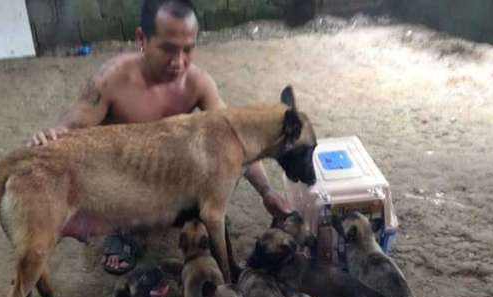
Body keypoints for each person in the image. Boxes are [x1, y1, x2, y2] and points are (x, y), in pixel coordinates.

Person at [29, 0, 294, 274]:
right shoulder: (112, 79)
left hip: (171, 180)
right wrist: (52, 134)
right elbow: (74, 125)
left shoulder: (198, 83)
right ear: (142, 39)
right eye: (168, 48)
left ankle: (185, 219)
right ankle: (125, 233)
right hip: (127, 183)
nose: (179, 61)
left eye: (188, 50)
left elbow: (238, 141)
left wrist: (267, 191)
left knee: (216, 176)